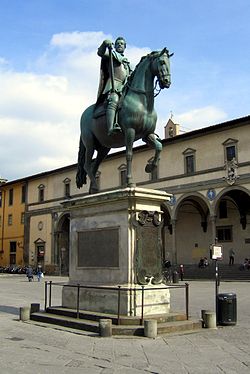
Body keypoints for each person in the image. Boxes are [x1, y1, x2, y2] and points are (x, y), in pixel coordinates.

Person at [96, 36, 132, 135]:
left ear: (125, 47)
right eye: (118, 43)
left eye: (122, 44)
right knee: (114, 100)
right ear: (115, 46)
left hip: (125, 87)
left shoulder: (128, 63)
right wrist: (104, 43)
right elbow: (100, 53)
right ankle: (110, 128)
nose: (120, 45)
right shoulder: (111, 55)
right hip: (114, 85)